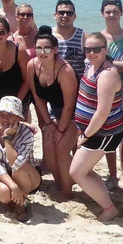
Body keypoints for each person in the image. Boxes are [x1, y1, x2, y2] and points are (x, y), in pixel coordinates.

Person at [68, 32, 123, 222]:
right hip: (91, 130)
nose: (91, 53)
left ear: (105, 50)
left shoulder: (107, 74)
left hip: (103, 131)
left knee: (76, 172)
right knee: (85, 170)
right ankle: (106, 201)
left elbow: (102, 112)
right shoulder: (91, 66)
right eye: (88, 49)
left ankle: (109, 208)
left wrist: (86, 135)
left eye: (96, 49)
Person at [28, 26, 78, 197]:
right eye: (39, 48)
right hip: (54, 113)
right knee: (48, 146)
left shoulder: (65, 70)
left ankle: (68, 190)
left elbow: (70, 106)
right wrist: (49, 124)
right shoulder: (32, 65)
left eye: (47, 48)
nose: (42, 52)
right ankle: (59, 182)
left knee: (62, 149)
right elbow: (37, 95)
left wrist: (61, 129)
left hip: (75, 115)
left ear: (55, 49)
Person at [100, 0, 123, 192]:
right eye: (108, 11)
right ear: (102, 14)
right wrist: (119, 66)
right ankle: (112, 176)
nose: (112, 15)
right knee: (108, 137)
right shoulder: (97, 38)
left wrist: (108, 64)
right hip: (104, 95)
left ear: (121, 13)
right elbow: (93, 65)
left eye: (115, 11)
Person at [0, 96, 40, 221]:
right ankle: (16, 198)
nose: (5, 119)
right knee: (4, 195)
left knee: (19, 168)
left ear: (18, 117)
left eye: (10, 115)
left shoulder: (27, 134)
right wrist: (13, 187)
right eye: (2, 114)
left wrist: (7, 138)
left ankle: (19, 205)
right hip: (5, 175)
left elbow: (16, 164)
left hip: (29, 176)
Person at [53, 0, 85, 78]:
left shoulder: (83, 37)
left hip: (76, 84)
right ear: (55, 15)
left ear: (74, 16)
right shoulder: (48, 35)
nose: (65, 16)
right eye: (61, 12)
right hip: (52, 84)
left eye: (69, 13)